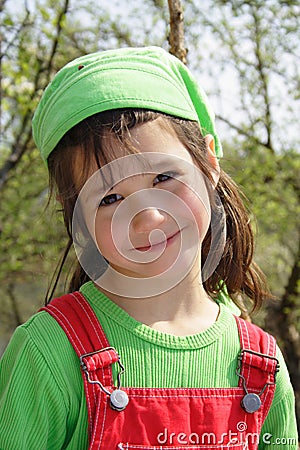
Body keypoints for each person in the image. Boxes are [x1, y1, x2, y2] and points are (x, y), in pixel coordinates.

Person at [0, 46, 298, 449]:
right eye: (110, 199)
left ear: (209, 162)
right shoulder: (50, 352)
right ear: (78, 222)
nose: (149, 218)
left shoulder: (261, 364)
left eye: (163, 178)